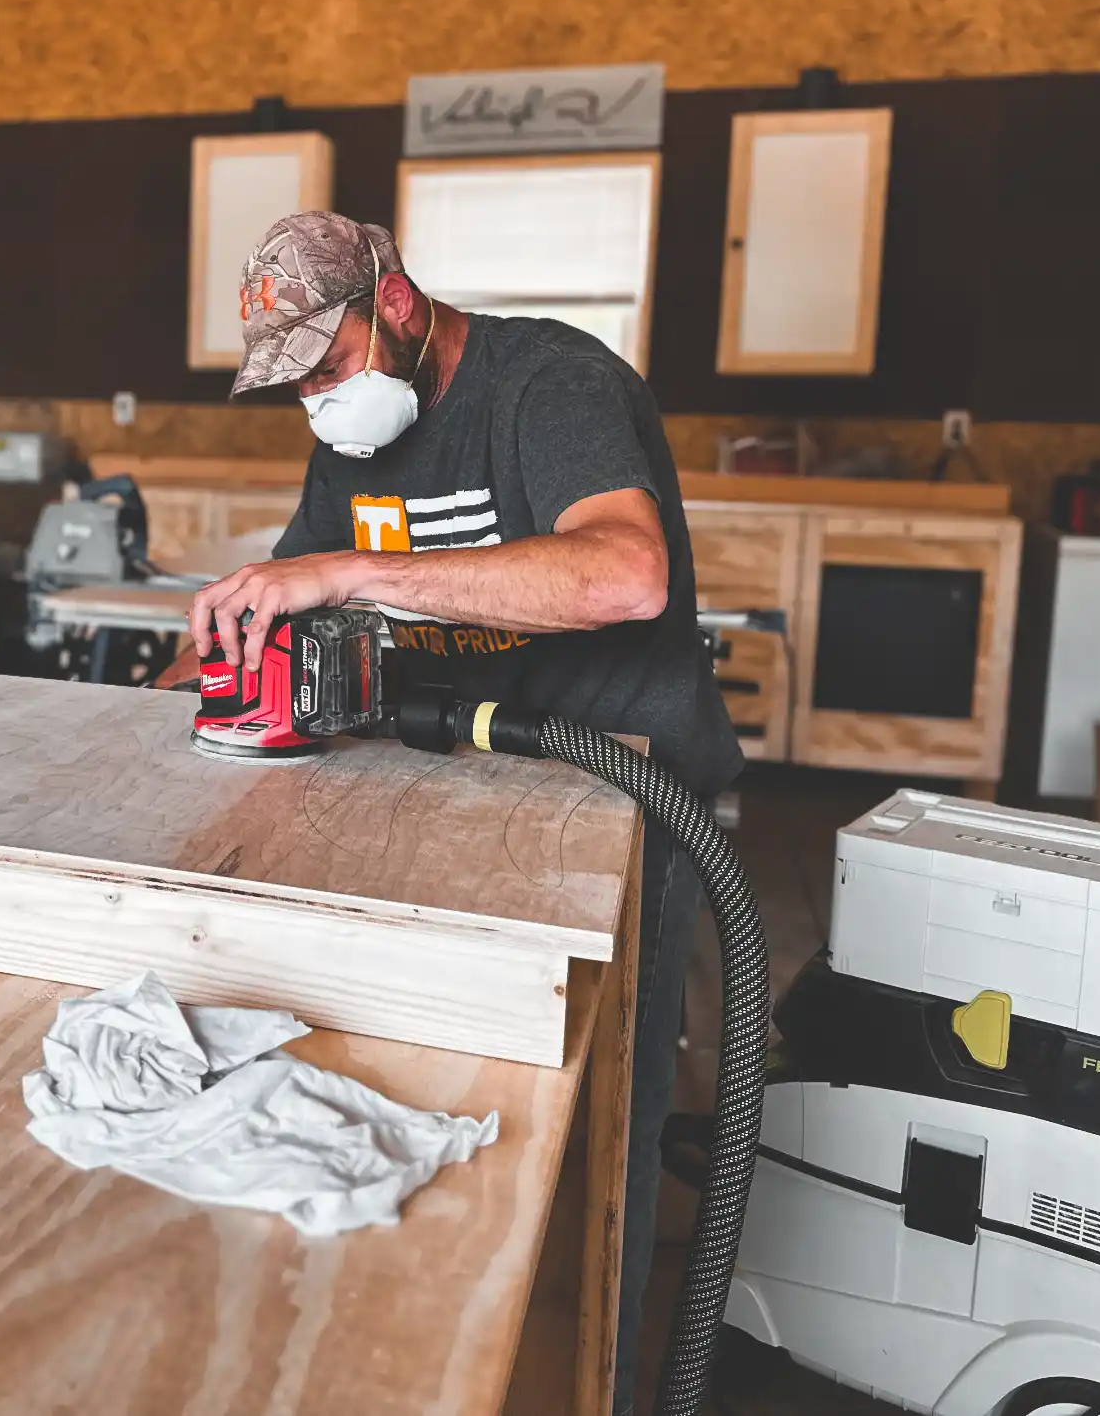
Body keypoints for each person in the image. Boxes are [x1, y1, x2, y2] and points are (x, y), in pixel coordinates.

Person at [188, 210, 742, 1412]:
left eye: (326, 368)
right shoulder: (352, 431)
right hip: (462, 775)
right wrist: (192, 676)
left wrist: (355, 573)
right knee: (456, 1082)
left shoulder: (552, 385)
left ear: (395, 304)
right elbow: (285, 592)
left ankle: (602, 1376)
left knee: (607, 1120)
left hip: (619, 791)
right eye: (293, 390)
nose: (320, 405)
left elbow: (622, 571)